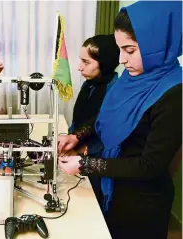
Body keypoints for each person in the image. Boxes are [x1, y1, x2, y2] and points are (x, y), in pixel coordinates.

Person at [58, 1, 182, 238]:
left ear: (156, 43)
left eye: (130, 50)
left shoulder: (175, 93)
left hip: (142, 205)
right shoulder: (131, 76)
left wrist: (86, 165)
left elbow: (150, 165)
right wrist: (77, 136)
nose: (122, 60)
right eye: (120, 50)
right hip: (113, 189)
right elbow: (104, 117)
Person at [64, 34, 120, 201]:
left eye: (86, 62)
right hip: (77, 157)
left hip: (99, 166)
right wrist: (68, 138)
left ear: (105, 63)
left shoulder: (115, 93)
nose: (79, 68)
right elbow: (79, 121)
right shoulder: (89, 84)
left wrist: (82, 150)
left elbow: (111, 139)